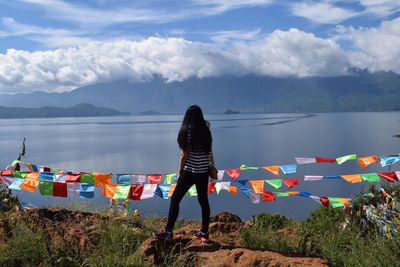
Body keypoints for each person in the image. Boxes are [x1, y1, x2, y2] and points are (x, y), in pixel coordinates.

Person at [152, 105, 215, 241]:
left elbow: (183, 155)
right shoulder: (206, 130)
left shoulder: (187, 132)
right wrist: (212, 166)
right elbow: (210, 151)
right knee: (203, 201)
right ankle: (204, 232)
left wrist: (179, 172)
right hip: (203, 171)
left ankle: (168, 231)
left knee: (175, 199)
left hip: (190, 171)